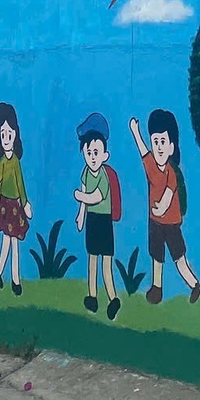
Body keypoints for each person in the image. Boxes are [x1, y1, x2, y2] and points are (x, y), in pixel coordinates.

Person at [130, 110, 200, 304]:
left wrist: (162, 208)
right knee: (156, 256)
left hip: (171, 223)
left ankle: (194, 284)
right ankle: (156, 288)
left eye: (163, 141)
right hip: (154, 222)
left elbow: (169, 194)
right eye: (155, 142)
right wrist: (136, 132)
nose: (159, 147)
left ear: (171, 147)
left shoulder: (172, 172)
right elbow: (143, 151)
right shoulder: (151, 166)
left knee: (179, 257)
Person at [73, 112, 122, 319]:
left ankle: (113, 298)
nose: (92, 157)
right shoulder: (85, 172)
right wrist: (80, 215)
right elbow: (86, 199)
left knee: (106, 264)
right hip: (92, 220)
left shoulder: (103, 175)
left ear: (105, 155)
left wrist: (80, 196)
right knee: (92, 261)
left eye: (96, 152)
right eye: (88, 152)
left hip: (104, 221)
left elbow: (96, 196)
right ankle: (92, 297)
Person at [0, 102, 31, 295]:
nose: (6, 139)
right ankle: (0, 271)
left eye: (9, 134)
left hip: (15, 206)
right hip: (5, 204)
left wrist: (25, 203)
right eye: (2, 135)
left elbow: (20, 184)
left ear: (15, 135)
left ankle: (15, 279)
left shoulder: (16, 162)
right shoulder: (3, 161)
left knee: (14, 242)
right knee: (7, 240)